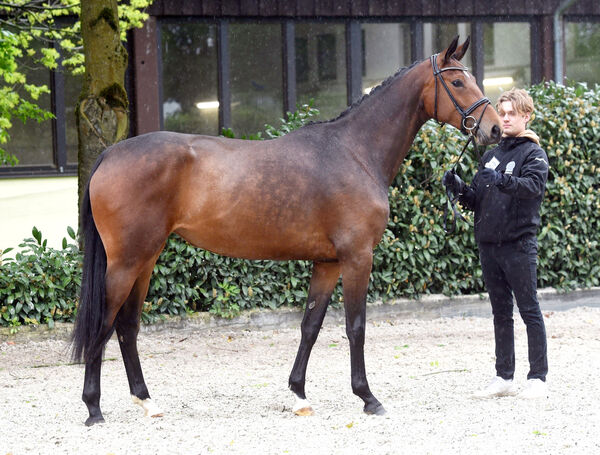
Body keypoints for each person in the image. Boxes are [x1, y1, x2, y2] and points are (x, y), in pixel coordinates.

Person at [443, 88, 549, 399]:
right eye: (501, 113)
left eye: (511, 113)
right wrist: (460, 188)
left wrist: (501, 180)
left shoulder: (534, 154)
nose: (504, 118)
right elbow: (478, 200)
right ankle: (504, 376)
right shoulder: (491, 155)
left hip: (518, 244)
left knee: (529, 309)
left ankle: (538, 378)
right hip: (488, 245)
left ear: (525, 116)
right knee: (500, 312)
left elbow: (532, 187)